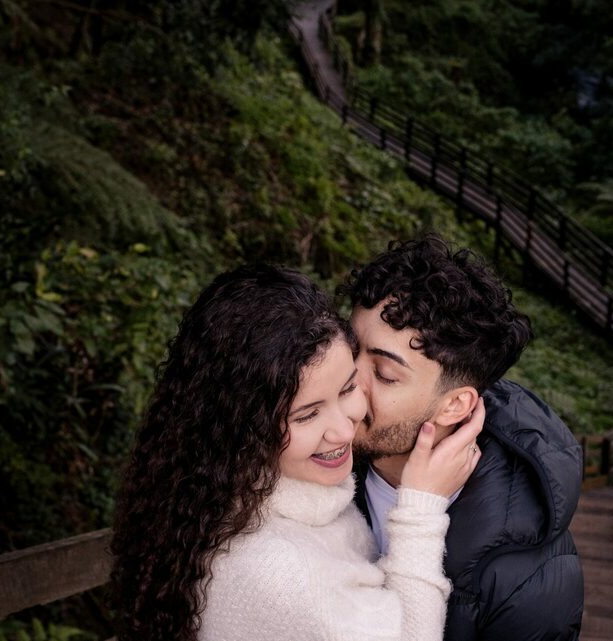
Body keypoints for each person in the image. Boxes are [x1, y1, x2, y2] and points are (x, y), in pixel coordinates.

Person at [109, 264, 484, 641]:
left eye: (347, 388)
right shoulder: (278, 570)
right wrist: (421, 508)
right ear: (245, 423)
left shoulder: (221, 487)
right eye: (307, 415)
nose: (344, 429)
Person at [340, 236, 585, 641]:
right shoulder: (307, 451)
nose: (347, 382)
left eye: (383, 374)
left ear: (454, 406)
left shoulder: (526, 584)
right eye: (350, 349)